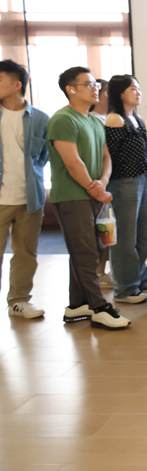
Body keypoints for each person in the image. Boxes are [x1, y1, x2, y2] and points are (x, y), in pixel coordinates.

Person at [47, 66, 130, 330]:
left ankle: (76, 306)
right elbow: (73, 162)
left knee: (93, 250)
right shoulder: (63, 119)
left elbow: (106, 156)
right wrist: (94, 188)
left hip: (95, 194)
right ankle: (99, 307)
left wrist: (103, 183)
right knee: (85, 251)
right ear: (71, 89)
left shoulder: (94, 120)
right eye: (89, 84)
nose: (96, 89)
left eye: (96, 84)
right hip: (72, 196)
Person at [0, 60, 49, 319]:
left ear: (16, 85)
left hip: (30, 197)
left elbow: (43, 157)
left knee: (26, 253)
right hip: (1, 198)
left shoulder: (40, 118)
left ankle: (18, 301)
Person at [103, 75, 147, 304]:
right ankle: (125, 289)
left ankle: (140, 280)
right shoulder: (114, 119)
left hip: (144, 178)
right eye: (133, 89)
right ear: (120, 93)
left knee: (144, 237)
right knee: (125, 238)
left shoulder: (138, 119)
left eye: (138, 88)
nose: (138, 92)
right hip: (124, 182)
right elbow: (108, 156)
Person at [91, 78, 112, 289]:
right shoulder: (93, 119)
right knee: (100, 229)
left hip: (112, 180)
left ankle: (105, 271)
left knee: (110, 229)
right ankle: (98, 273)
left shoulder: (112, 117)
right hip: (98, 182)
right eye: (106, 91)